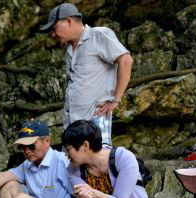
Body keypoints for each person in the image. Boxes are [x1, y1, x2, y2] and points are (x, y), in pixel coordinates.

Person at [41, 3, 133, 148]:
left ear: (69, 21)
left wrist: (115, 100)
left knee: (96, 167)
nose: (53, 34)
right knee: (72, 168)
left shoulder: (99, 35)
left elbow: (126, 60)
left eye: (54, 29)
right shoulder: (69, 50)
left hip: (94, 121)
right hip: (72, 124)